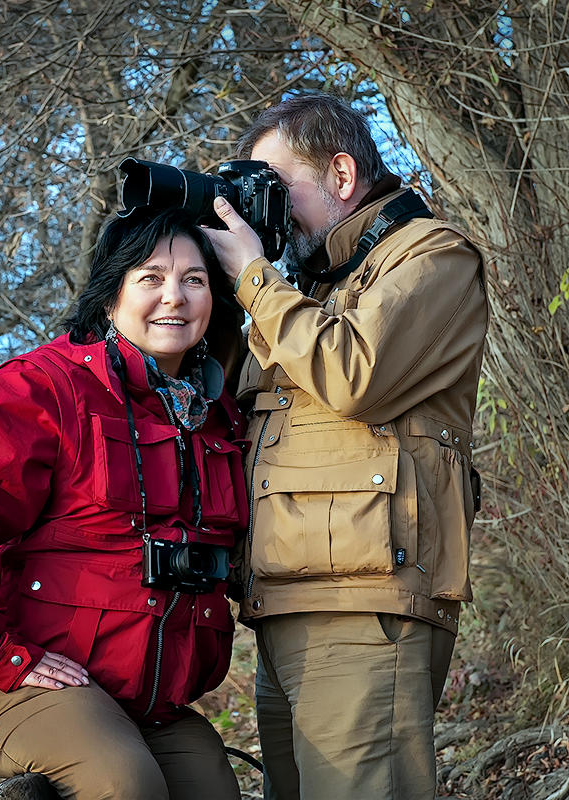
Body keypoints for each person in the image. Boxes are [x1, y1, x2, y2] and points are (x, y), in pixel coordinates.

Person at [0, 208, 249, 800]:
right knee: (122, 784)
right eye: (150, 278)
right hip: (19, 678)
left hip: (145, 698)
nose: (176, 297)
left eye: (195, 280)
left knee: (212, 787)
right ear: (110, 296)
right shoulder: (46, 386)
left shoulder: (218, 414)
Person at [202, 92, 488, 800]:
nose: (265, 207)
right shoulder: (302, 292)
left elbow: (354, 373)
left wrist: (252, 279)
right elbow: (223, 408)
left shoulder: (431, 255)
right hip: (286, 602)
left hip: (367, 607)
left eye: (275, 186)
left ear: (340, 175)